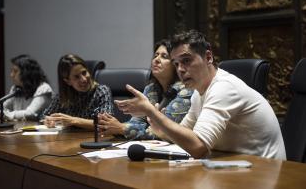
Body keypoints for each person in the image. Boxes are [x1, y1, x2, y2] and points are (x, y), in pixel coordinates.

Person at [115, 30, 286, 160]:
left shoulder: (224, 88)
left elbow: (198, 147)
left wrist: (152, 113)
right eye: (176, 63)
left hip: (263, 172)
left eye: (186, 60)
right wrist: (158, 121)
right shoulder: (198, 93)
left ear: (208, 57)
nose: (181, 69)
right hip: (234, 167)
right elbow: (184, 134)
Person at [97, 39, 193, 139]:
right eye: (156, 55)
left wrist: (122, 128)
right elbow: (137, 122)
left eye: (164, 57)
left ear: (176, 65)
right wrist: (114, 126)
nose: (156, 59)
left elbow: (165, 131)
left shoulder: (186, 90)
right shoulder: (151, 89)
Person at [43, 54, 113, 130]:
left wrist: (73, 120)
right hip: (69, 139)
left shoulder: (101, 91)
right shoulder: (63, 95)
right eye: (77, 77)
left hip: (94, 139)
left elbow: (106, 123)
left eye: (84, 73)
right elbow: (45, 115)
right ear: (68, 81)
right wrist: (48, 120)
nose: (84, 79)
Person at [0, 54, 53, 121]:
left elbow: (30, 114)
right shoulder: (16, 89)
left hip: (39, 130)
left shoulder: (43, 89)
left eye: (15, 71)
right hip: (19, 129)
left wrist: (2, 115)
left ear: (27, 73)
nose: (11, 75)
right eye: (11, 71)